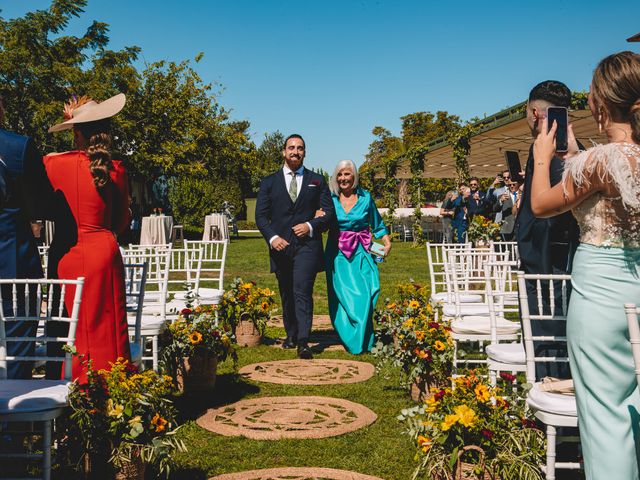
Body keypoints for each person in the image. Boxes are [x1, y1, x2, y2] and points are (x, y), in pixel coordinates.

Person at [531, 51, 640, 480]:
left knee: (606, 415)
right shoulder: (608, 160)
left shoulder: (600, 161)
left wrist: (543, 155)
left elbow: (541, 203)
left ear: (598, 103)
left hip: (600, 298)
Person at [44, 93, 131, 382]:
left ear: (77, 133)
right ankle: (113, 392)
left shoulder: (53, 164)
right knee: (108, 329)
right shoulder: (116, 170)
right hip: (103, 254)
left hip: (66, 254)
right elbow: (121, 222)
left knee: (68, 328)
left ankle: (69, 389)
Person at [515, 80, 581, 378]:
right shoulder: (561, 150)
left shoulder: (552, 153)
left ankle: (551, 403)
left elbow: (555, 209)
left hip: (548, 265)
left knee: (548, 338)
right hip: (546, 259)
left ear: (533, 112)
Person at [255, 134, 335, 359]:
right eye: (291, 148)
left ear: (305, 153)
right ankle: (290, 333)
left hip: (307, 247)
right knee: (287, 292)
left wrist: (310, 225)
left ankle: (303, 341)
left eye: (300, 148)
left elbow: (329, 213)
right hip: (280, 247)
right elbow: (260, 216)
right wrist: (272, 238)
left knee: (302, 290)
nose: (295, 152)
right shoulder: (268, 182)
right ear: (283, 151)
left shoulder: (317, 180)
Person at [0, 96, 51, 379]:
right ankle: (15, 417)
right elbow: (41, 204)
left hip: (15, 255)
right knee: (19, 340)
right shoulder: (19, 147)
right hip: (15, 260)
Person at [323, 160, 390, 354]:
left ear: (354, 177)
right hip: (337, 254)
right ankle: (354, 339)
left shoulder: (366, 197)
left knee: (370, 291)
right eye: (340, 175)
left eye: (347, 174)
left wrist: (386, 242)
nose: (343, 178)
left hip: (365, 249)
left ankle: (364, 336)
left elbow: (377, 223)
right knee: (344, 296)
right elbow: (321, 222)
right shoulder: (330, 200)